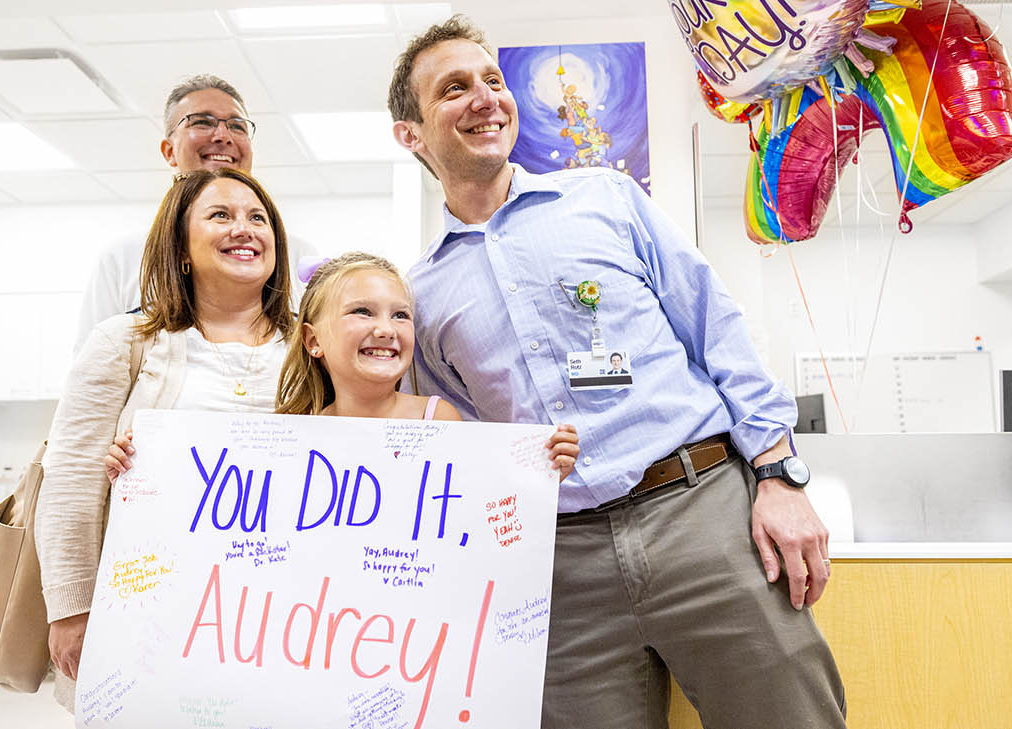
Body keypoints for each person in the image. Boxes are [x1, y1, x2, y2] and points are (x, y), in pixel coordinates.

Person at [388, 16, 845, 728]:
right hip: (559, 570)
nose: (486, 98)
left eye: (493, 81)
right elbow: (463, 449)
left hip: (701, 515)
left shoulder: (606, 198)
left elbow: (714, 326)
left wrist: (781, 473)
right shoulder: (422, 294)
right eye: (454, 88)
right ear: (410, 133)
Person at [37, 167, 293, 711]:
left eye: (258, 218)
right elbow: (71, 484)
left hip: (281, 616)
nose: (244, 229)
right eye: (220, 215)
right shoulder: (126, 342)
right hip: (148, 613)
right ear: (179, 245)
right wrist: (71, 609)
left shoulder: (310, 346)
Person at [107, 253, 579, 480]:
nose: (386, 328)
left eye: (400, 315)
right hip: (331, 634)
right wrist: (143, 468)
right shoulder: (297, 435)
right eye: (362, 312)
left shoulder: (439, 419)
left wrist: (538, 472)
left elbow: (476, 504)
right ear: (312, 340)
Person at [73, 74, 313, 352]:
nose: (223, 136)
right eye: (202, 122)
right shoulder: (123, 257)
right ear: (169, 151)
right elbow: (90, 370)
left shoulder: (295, 255)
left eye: (237, 126)